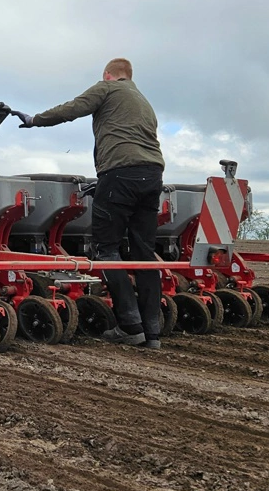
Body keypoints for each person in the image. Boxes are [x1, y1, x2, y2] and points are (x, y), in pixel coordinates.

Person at [12, 58, 165, 349]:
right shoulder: (143, 101)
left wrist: (34, 120)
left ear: (108, 75)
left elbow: (73, 109)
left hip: (119, 172)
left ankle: (131, 327)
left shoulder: (107, 88)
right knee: (144, 253)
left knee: (107, 249)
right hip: (152, 174)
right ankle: (152, 332)